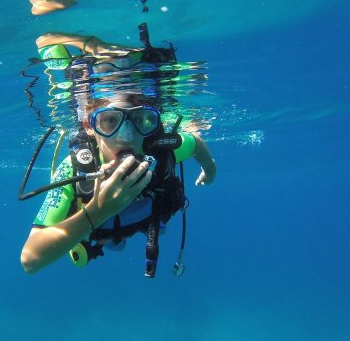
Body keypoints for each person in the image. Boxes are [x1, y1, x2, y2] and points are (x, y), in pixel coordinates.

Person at [20, 91, 217, 274]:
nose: (126, 137)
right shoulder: (75, 168)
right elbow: (29, 260)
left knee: (153, 225)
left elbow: (195, 143)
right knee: (113, 243)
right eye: (110, 120)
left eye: (139, 120)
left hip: (147, 215)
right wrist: (99, 210)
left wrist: (209, 169)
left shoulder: (162, 151)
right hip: (100, 227)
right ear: (90, 126)